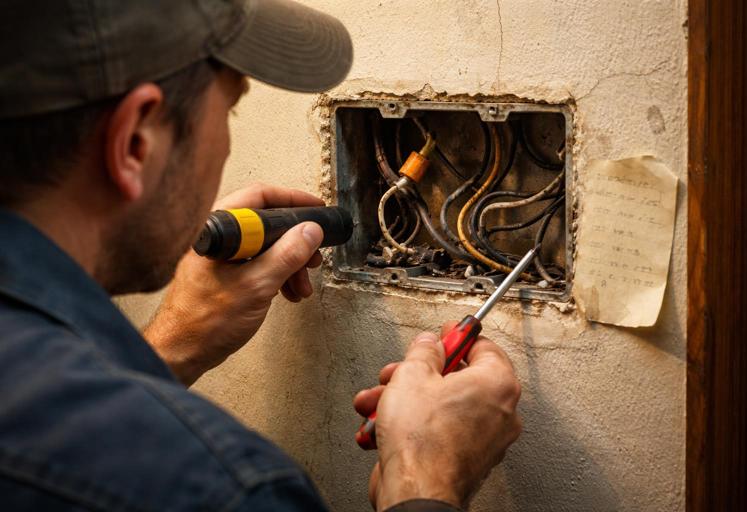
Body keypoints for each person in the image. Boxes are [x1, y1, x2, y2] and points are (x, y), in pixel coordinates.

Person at [0, 1, 523, 510]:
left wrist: (171, 349)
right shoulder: (224, 489)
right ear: (136, 142)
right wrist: (424, 480)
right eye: (229, 107)